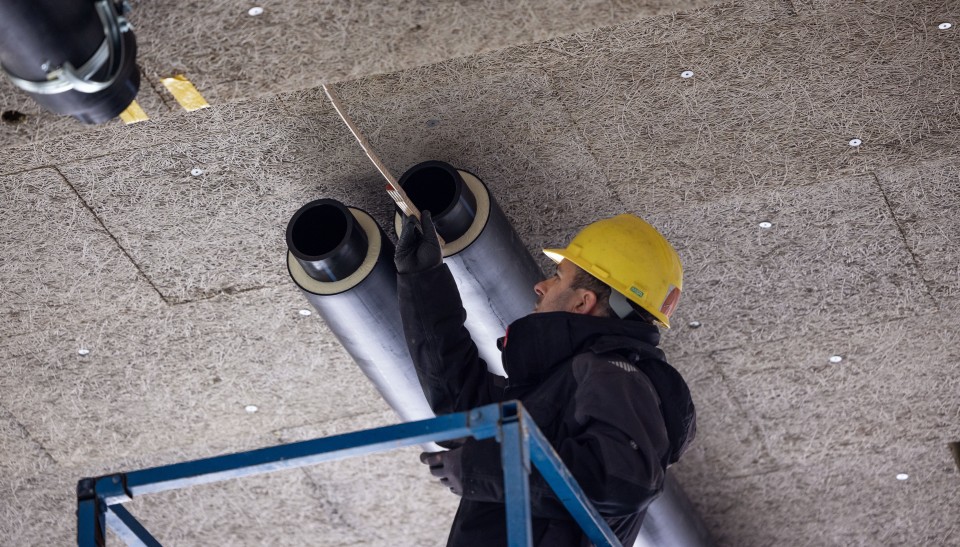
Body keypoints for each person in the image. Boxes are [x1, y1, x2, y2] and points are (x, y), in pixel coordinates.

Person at [395, 210, 696, 547]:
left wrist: (485, 468)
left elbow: (620, 481)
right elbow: (465, 408)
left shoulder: (613, 375)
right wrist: (423, 280)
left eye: (557, 276)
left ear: (584, 302)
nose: (541, 286)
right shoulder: (564, 388)